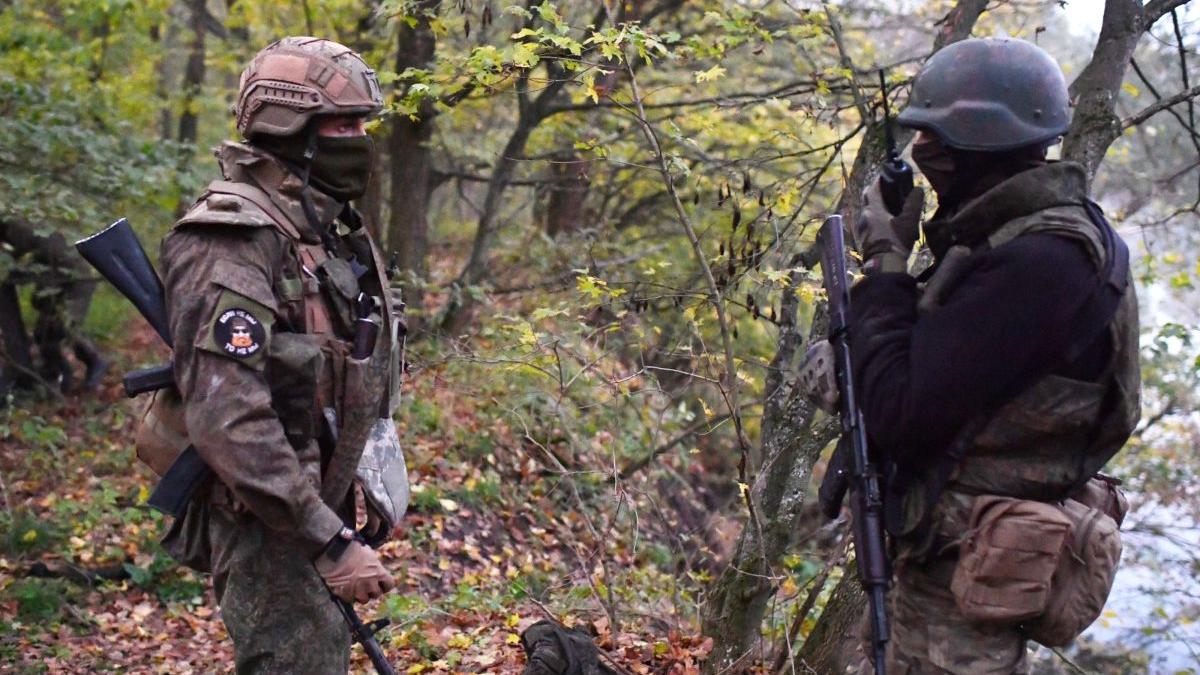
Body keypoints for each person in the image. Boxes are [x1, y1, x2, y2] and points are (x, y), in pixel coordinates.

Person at [805, 38, 1141, 674]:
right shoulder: (1011, 239)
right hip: (954, 547)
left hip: (974, 564)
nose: (920, 155)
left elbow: (899, 409)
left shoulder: (1042, 261)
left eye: (934, 141)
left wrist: (885, 264)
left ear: (979, 148)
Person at [157, 37, 407, 673]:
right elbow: (228, 416)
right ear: (288, 127)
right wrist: (324, 538)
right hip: (269, 514)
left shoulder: (320, 230)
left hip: (314, 499)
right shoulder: (231, 240)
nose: (359, 139)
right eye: (343, 124)